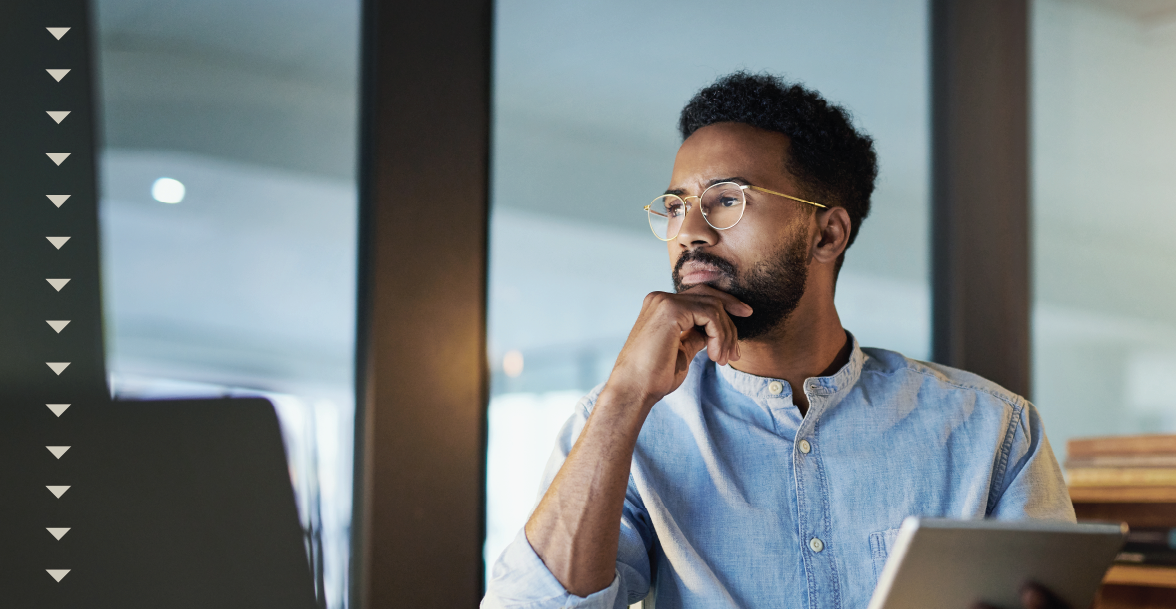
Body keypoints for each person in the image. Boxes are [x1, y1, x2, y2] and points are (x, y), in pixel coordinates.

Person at [482, 72, 1075, 609]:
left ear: (827, 234)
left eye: (726, 201)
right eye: (676, 205)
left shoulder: (993, 432)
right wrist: (623, 397)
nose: (688, 231)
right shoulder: (630, 425)